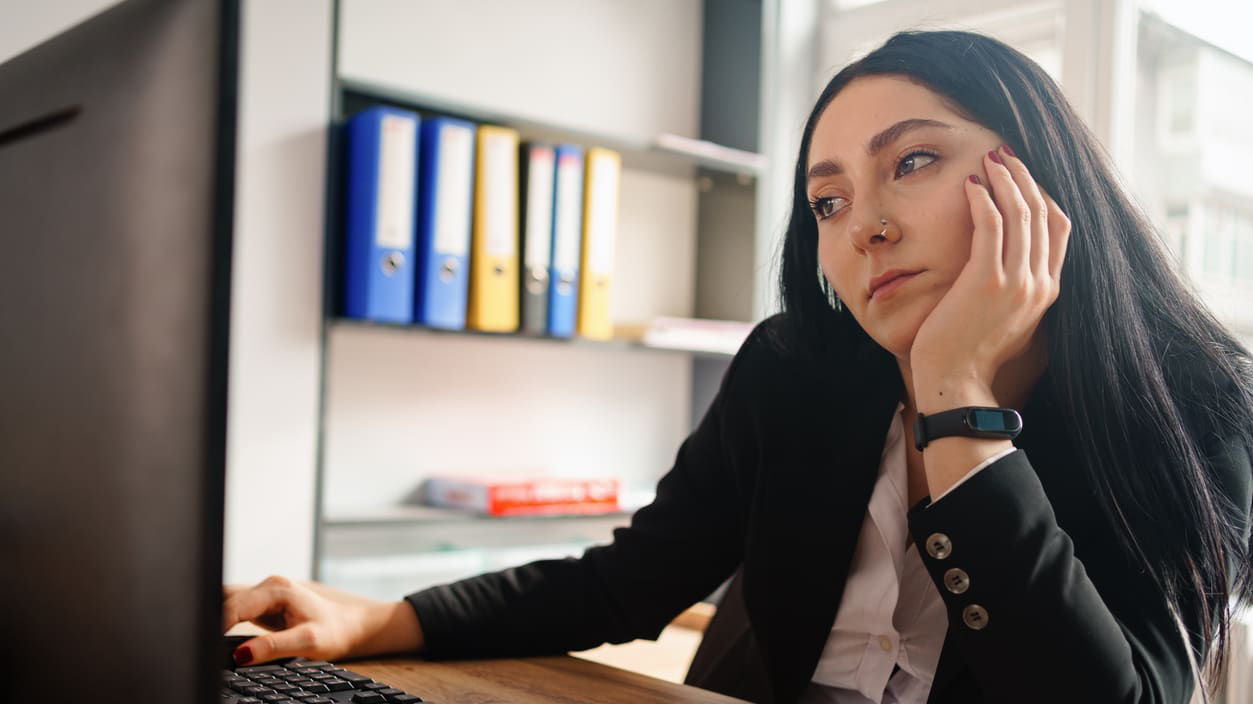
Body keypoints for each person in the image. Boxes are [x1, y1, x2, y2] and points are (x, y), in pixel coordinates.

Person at [222, 30, 1253, 703]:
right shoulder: (797, 366)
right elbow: (635, 578)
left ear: (1034, 174)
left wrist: (956, 401)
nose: (867, 226)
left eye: (912, 160)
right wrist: (379, 616)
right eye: (828, 200)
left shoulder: (1195, 405)